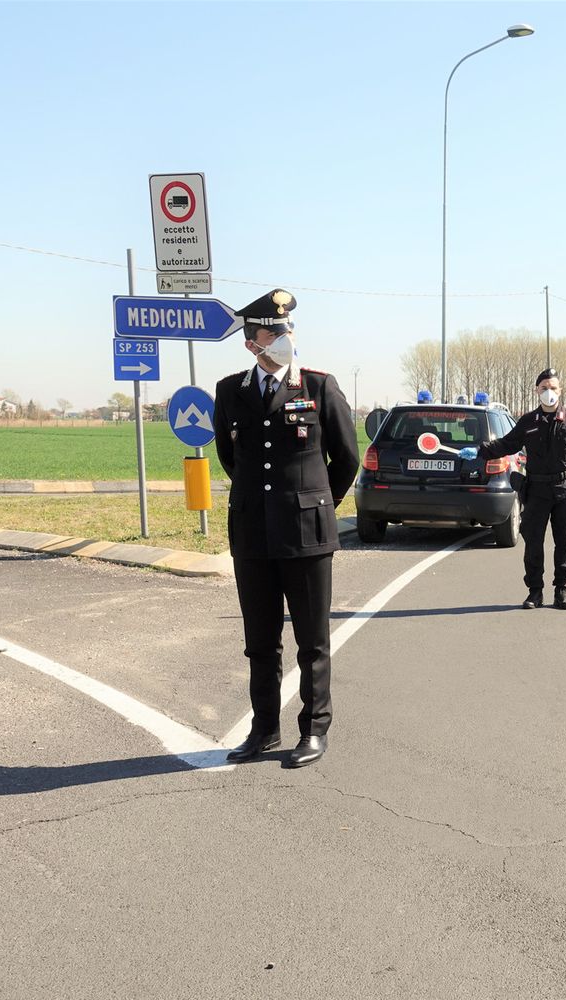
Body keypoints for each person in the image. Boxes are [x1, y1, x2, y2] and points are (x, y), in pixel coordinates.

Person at [212, 289, 359, 767]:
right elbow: (231, 458)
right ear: (251, 343)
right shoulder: (230, 391)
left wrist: (317, 506)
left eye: (286, 331)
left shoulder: (319, 386)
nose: (282, 338)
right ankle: (264, 730)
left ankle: (314, 730)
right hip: (253, 535)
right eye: (271, 332)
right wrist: (261, 501)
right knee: (260, 641)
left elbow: (347, 458)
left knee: (312, 640)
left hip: (307, 535)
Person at [459, 368, 566, 610]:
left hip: (563, 490)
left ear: (560, 391)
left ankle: (562, 590)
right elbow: (507, 444)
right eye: (544, 388)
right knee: (533, 542)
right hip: (536, 489)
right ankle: (535, 591)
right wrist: (480, 451)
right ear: (536, 391)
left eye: (553, 387)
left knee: (565, 542)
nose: (548, 392)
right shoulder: (528, 422)